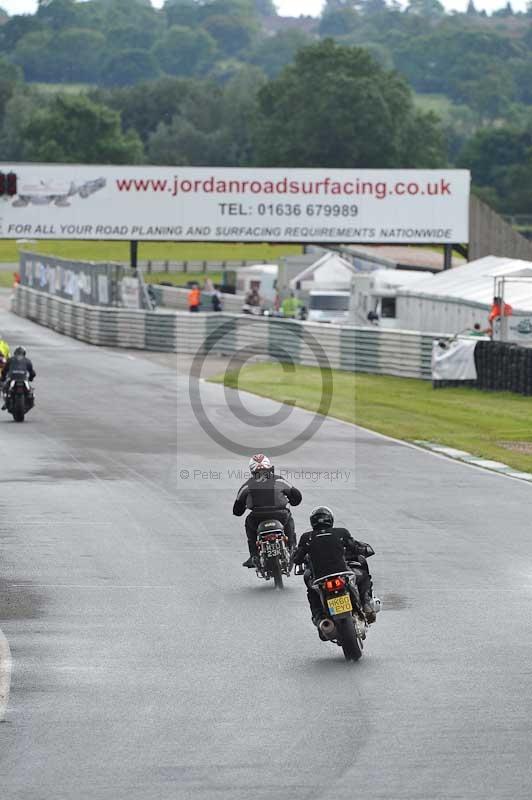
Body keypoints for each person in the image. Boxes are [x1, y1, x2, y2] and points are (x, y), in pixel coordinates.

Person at [291, 506, 378, 634]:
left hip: (320, 579)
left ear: (312, 522)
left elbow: (297, 559)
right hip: (342, 574)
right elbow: (355, 548)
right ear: (330, 520)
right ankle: (366, 603)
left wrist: (300, 556)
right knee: (363, 576)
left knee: (312, 592)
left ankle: (320, 618)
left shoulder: (306, 537)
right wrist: (364, 549)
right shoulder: (341, 533)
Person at [233, 453, 302, 568]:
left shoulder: (247, 485)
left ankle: (254, 555)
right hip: (280, 515)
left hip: (257, 517)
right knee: (289, 518)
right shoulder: (279, 480)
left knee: (248, 523)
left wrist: (243, 507)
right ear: (269, 466)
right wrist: (292, 501)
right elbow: (297, 496)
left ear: (252, 470)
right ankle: (292, 547)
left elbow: (237, 510)